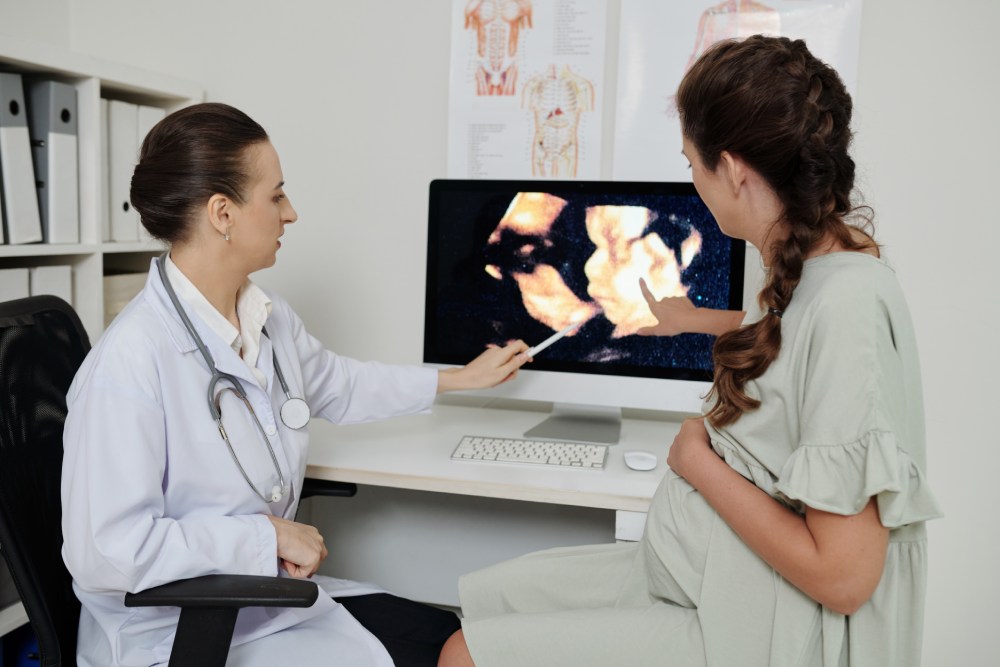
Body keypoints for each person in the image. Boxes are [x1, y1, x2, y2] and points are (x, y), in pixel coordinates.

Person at [438, 35, 942, 667]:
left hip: (757, 623)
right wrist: (694, 319)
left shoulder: (849, 308)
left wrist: (697, 462)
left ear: (731, 169)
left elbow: (845, 580)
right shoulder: (819, 264)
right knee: (486, 600)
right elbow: (796, 338)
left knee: (466, 652)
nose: (692, 181)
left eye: (691, 166)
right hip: (704, 575)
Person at [60, 102, 530, 667]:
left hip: (262, 602)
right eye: (276, 195)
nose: (292, 213)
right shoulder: (129, 363)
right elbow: (104, 554)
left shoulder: (263, 314)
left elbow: (337, 383)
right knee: (456, 656)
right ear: (222, 213)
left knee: (454, 635)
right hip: (176, 634)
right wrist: (266, 538)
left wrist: (456, 380)